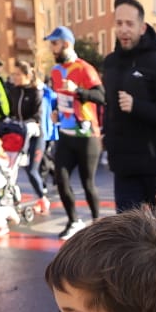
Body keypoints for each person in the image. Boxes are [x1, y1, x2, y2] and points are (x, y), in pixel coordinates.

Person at [101, 0, 156, 212]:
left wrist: (137, 106)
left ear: (142, 27)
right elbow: (110, 108)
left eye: (130, 24)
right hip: (123, 168)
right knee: (128, 238)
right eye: (119, 23)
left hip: (154, 168)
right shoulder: (110, 63)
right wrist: (106, 137)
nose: (124, 30)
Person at [45, 25, 106, 239]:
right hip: (66, 134)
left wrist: (78, 91)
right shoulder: (55, 71)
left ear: (66, 44)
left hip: (87, 135)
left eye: (54, 44)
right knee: (60, 179)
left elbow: (101, 96)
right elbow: (58, 97)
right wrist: (55, 112)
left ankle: (97, 223)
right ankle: (73, 220)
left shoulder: (84, 68)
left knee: (88, 183)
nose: (51, 48)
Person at [6, 59, 50, 213]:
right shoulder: (14, 90)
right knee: (11, 169)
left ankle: (42, 199)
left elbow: (37, 116)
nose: (14, 77)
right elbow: (12, 111)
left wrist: (25, 124)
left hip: (35, 135)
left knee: (32, 170)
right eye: (13, 74)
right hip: (19, 134)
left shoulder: (35, 91)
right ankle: (9, 199)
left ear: (26, 75)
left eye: (18, 74)